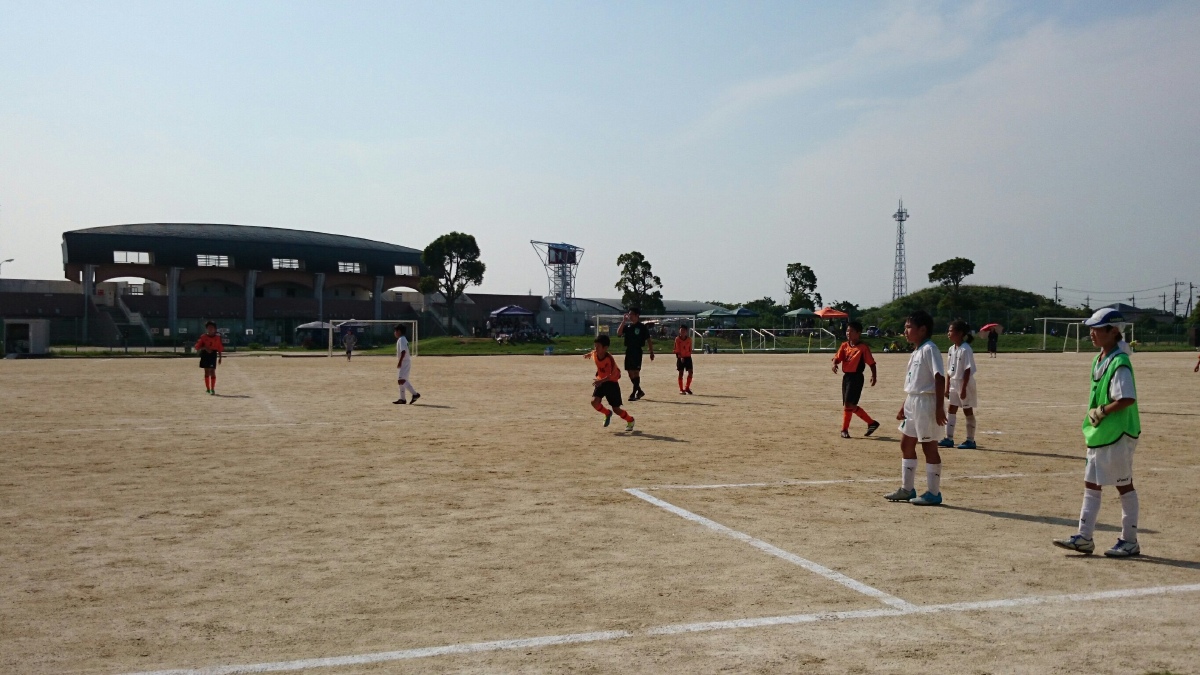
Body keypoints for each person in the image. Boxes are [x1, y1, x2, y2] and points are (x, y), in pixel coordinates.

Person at [1053, 309, 1142, 558]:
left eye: (1097, 329)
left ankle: (1130, 540)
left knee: (1124, 485)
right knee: (1091, 484)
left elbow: (1126, 398)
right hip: (1100, 434)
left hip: (1118, 434)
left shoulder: (1119, 362)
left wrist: (1102, 411)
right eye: (1091, 328)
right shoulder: (1100, 359)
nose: (1092, 333)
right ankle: (1084, 537)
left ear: (1113, 331)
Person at [885, 310, 947, 506]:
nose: (905, 331)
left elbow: (939, 378)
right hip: (913, 402)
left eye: (909, 327)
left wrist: (939, 407)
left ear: (922, 329)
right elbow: (914, 383)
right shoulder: (915, 352)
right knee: (906, 444)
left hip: (926, 403)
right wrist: (904, 405)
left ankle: (934, 493)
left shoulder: (930, 349)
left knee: (929, 446)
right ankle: (907, 489)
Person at [832, 320, 880, 438]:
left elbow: (872, 363)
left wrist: (874, 376)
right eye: (847, 330)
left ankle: (844, 430)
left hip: (856, 378)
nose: (848, 333)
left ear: (858, 333)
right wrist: (834, 364)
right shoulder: (844, 345)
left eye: (852, 331)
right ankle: (871, 423)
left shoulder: (863, 347)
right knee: (850, 405)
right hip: (847, 378)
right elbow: (837, 357)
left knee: (848, 404)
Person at [939, 319, 979, 449]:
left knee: (967, 410)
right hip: (953, 383)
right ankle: (948, 438)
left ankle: (970, 440)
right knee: (951, 409)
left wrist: (963, 388)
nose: (948, 333)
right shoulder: (951, 349)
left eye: (951, 331)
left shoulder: (966, 349)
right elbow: (949, 370)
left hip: (964, 383)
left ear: (960, 333)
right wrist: (947, 387)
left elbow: (967, 370)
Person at [585, 334, 635, 431]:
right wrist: (588, 355)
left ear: (605, 348)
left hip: (612, 384)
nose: (595, 348)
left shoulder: (609, 359)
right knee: (594, 402)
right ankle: (607, 413)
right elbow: (593, 353)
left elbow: (611, 376)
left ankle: (630, 420)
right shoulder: (595, 354)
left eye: (598, 346)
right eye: (595, 346)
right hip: (601, 382)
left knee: (616, 409)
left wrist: (601, 381)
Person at [617, 308, 654, 400]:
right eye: (629, 314)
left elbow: (648, 339)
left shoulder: (642, 327)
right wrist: (623, 321)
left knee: (636, 372)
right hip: (629, 351)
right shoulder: (628, 327)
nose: (630, 316)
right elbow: (619, 333)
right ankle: (640, 391)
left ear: (637, 315)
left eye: (631, 314)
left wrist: (651, 352)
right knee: (630, 372)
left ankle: (633, 393)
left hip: (637, 351)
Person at [194, 321, 224, 395]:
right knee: (206, 371)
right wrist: (205, 348)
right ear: (206, 329)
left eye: (212, 328)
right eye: (209, 327)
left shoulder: (217, 338)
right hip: (205, 354)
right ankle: (208, 389)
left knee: (212, 371)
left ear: (215, 329)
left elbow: (219, 347)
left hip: (213, 354)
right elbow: (197, 347)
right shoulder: (203, 337)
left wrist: (220, 357)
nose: (210, 329)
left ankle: (212, 389)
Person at [393, 324, 421, 404]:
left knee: (401, 380)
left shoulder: (401, 339)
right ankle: (402, 399)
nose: (394, 333)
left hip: (404, 362)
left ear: (399, 331)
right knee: (401, 380)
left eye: (395, 331)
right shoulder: (403, 339)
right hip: (405, 361)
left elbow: (403, 352)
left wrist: (400, 361)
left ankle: (415, 394)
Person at [674, 325, 695, 395]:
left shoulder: (689, 339)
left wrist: (689, 353)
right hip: (680, 357)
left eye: (684, 330)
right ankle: (681, 389)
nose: (682, 332)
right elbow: (676, 349)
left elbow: (690, 349)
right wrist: (680, 357)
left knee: (690, 372)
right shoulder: (677, 339)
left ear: (686, 332)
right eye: (681, 330)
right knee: (681, 373)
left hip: (688, 357)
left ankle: (687, 387)